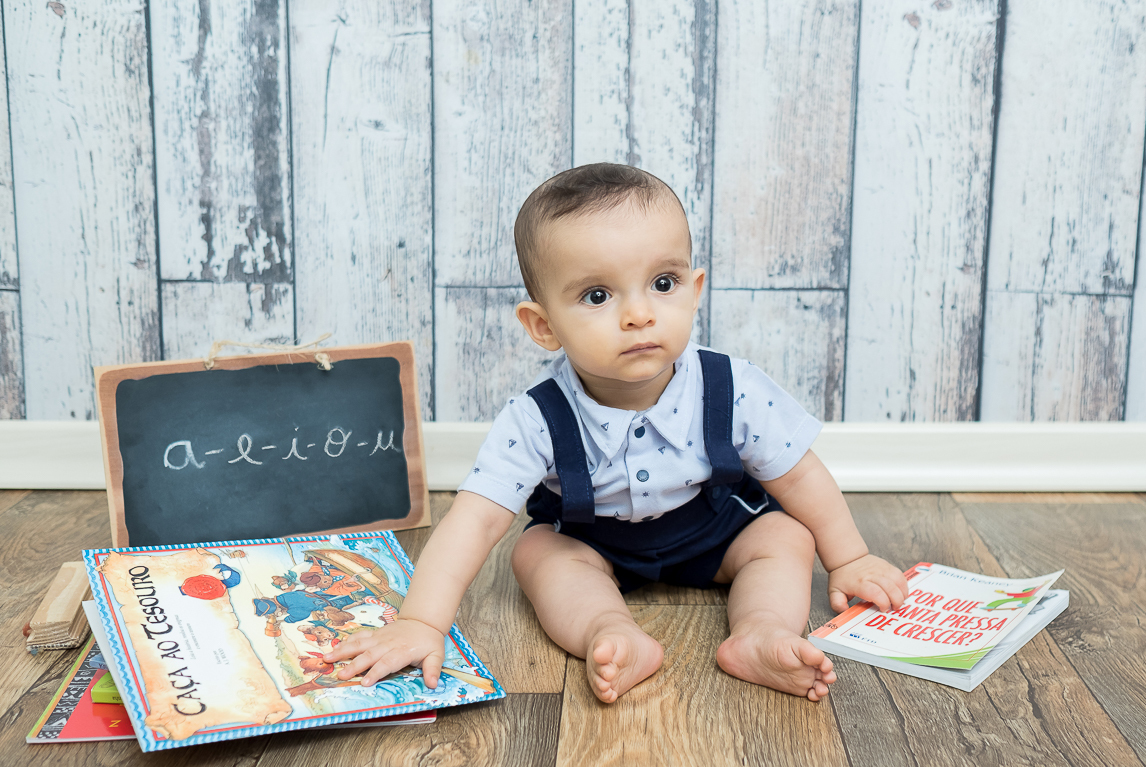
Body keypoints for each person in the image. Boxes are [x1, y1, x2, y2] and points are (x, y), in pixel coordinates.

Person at [327, 163, 908, 703]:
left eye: (663, 283)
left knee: (785, 535)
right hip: (594, 543)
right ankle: (610, 631)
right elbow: (475, 519)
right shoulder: (537, 417)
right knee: (535, 552)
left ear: (695, 289)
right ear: (543, 325)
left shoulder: (732, 387)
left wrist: (850, 557)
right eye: (598, 296)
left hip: (714, 531)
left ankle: (760, 632)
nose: (639, 314)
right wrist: (422, 621)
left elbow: (798, 472)